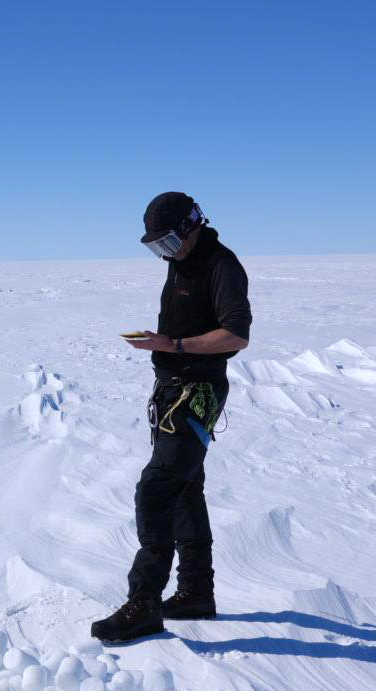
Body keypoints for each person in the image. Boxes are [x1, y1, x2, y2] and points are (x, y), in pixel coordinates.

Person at [91, 192, 252, 643]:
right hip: (173, 390)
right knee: (184, 489)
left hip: (197, 393)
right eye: (155, 247)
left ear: (191, 225)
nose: (164, 253)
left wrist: (174, 346)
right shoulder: (181, 260)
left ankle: (144, 602)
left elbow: (237, 336)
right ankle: (196, 593)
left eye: (167, 242)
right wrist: (165, 342)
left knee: (157, 488)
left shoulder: (222, 265)